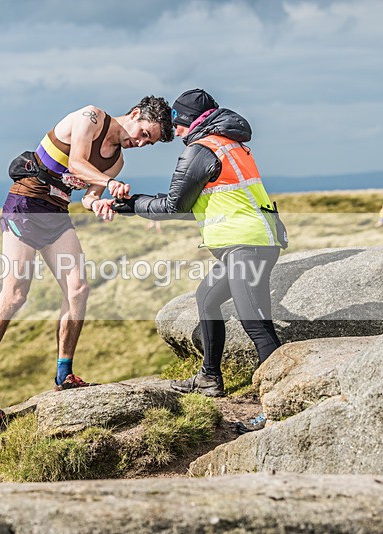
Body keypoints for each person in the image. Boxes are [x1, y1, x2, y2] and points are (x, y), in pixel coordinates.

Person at [0, 97, 174, 422]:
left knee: (78, 289)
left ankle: (64, 373)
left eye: (149, 142)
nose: (141, 143)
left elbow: (88, 195)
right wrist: (109, 184)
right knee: (15, 294)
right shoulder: (91, 117)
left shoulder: (115, 163)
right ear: (134, 115)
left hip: (57, 214)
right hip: (28, 201)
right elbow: (76, 162)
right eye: (144, 133)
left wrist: (97, 203)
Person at [112, 89, 287, 434]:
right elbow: (192, 202)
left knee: (257, 326)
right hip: (253, 240)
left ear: (191, 121)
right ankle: (209, 378)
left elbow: (175, 205)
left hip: (246, 245)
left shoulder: (201, 149)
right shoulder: (228, 143)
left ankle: (279, 408)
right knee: (207, 298)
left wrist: (132, 205)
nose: (174, 132)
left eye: (177, 124)